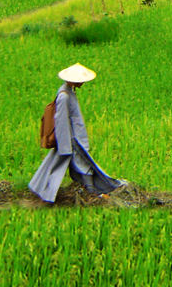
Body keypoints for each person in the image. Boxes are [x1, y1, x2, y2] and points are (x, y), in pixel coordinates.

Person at [29, 63, 122, 203]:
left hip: (75, 137)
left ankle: (87, 188)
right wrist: (66, 145)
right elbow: (60, 121)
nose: (82, 83)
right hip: (72, 139)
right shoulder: (64, 96)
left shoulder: (69, 91)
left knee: (77, 163)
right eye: (80, 80)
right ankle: (91, 190)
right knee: (82, 163)